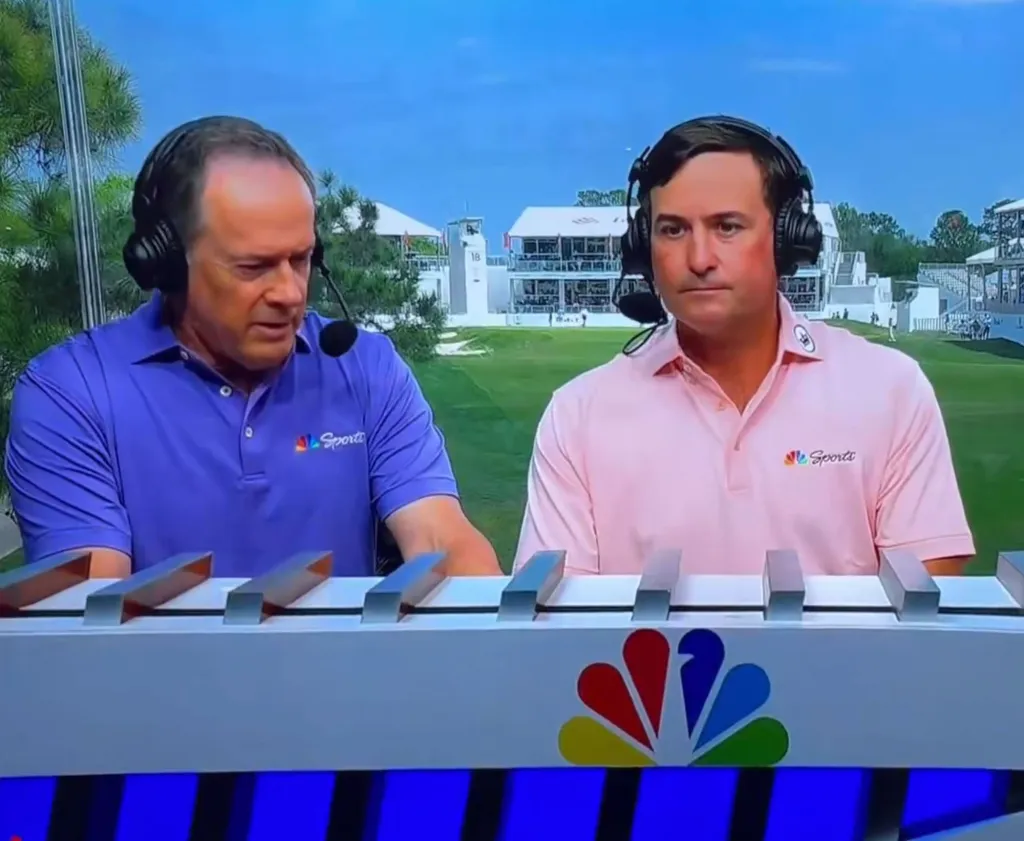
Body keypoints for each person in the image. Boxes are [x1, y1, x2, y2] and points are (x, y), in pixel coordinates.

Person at [5, 116, 500, 579]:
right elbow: (91, 618)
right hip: (157, 675)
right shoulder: (70, 393)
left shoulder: (366, 369)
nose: (289, 293)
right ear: (167, 265)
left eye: (301, 260)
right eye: (253, 267)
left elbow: (443, 539)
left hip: (350, 674)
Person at [514, 116, 973, 577]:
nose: (698, 260)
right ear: (642, 247)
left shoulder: (890, 390)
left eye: (727, 227)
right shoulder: (575, 416)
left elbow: (923, 606)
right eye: (673, 230)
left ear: (786, 239)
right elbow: (559, 627)